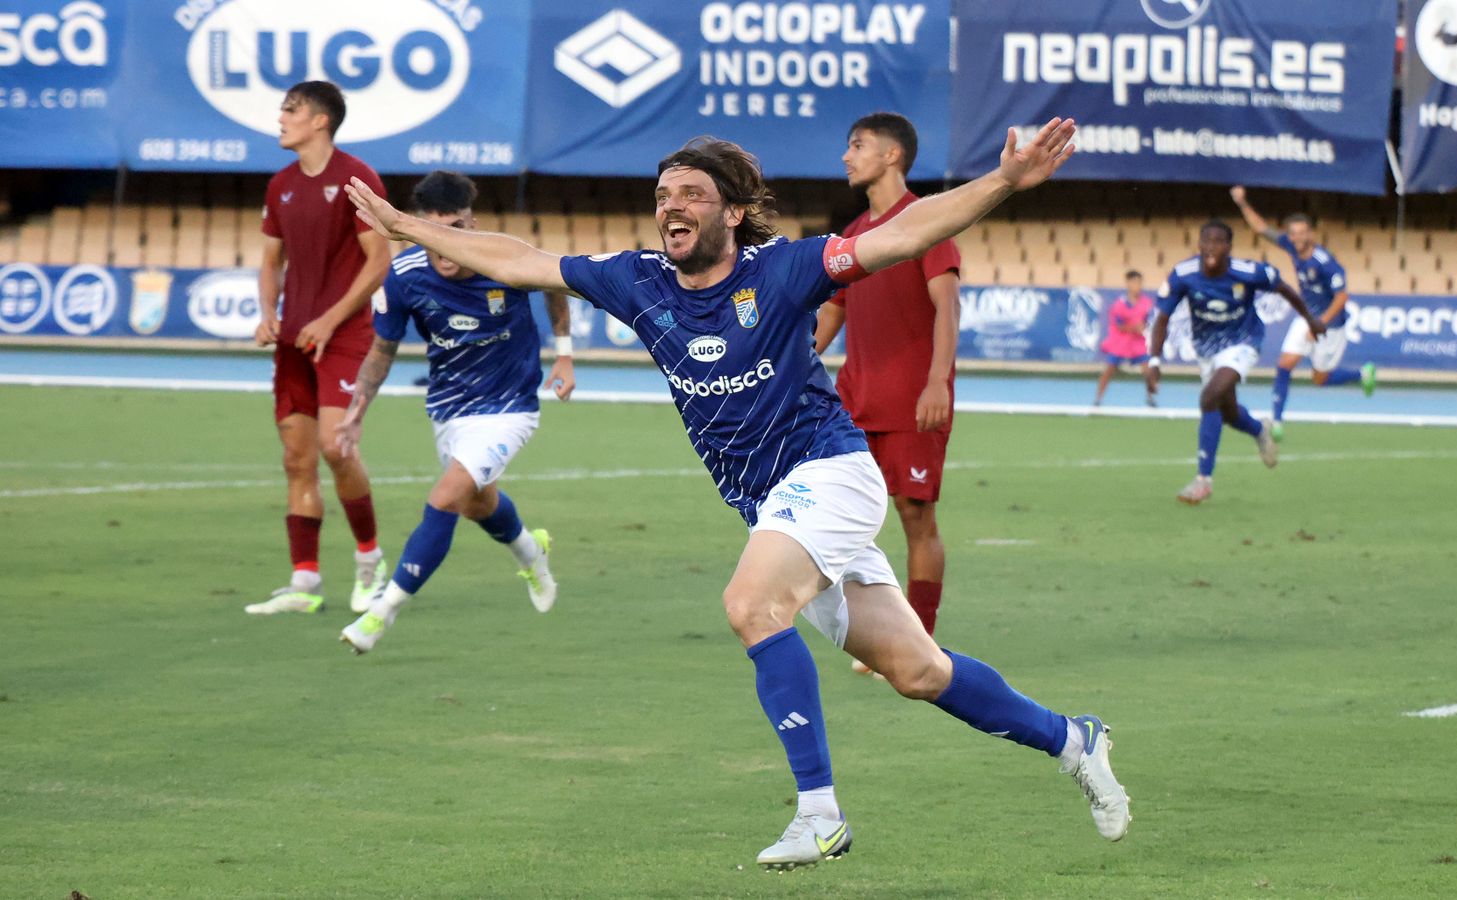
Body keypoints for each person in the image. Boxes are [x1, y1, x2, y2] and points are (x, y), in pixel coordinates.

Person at [345, 117, 1132, 869]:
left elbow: (902, 235)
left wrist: (1004, 179)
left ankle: (820, 816)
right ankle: (1074, 740)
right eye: (662, 195)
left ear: (732, 209)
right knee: (919, 673)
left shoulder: (782, 268)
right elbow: (519, 259)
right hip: (776, 505)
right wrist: (414, 231)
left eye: (689, 194)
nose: (670, 207)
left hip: (829, 472)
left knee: (751, 605)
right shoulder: (639, 282)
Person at [332, 171, 575, 654]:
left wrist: (564, 354)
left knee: (446, 498)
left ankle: (380, 616)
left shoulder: (503, 259)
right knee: (479, 503)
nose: (445, 246)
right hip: (449, 408)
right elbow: (382, 350)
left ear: (473, 224)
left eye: (457, 228)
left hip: (510, 408)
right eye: (434, 230)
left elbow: (555, 283)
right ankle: (532, 553)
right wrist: (357, 410)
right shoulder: (404, 276)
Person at [811, 112, 959, 664]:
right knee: (844, 516)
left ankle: (919, 641)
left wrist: (937, 382)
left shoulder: (925, 221)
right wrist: (792, 360)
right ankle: (877, 634)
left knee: (915, 518)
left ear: (891, 155)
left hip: (913, 401)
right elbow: (832, 312)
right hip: (854, 403)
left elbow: (948, 306)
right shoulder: (852, 236)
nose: (846, 156)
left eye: (857, 145)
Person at [246, 81, 391, 616]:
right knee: (296, 458)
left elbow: (379, 260)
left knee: (337, 447)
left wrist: (331, 319)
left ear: (320, 121)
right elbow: (270, 261)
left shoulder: (357, 178)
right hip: (294, 342)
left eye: (291, 109)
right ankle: (303, 582)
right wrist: (268, 314)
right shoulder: (280, 185)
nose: (281, 118)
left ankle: (369, 561)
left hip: (347, 336)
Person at [1146, 221, 1325, 505]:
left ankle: (1203, 480)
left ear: (1229, 247)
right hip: (1206, 349)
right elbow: (1162, 319)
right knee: (1227, 412)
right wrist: (1154, 360)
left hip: (1243, 342)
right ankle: (1258, 429)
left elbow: (1285, 289)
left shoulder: (1249, 272)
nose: (1211, 247)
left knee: (1210, 397)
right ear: (1199, 244)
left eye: (1218, 241)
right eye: (1206, 241)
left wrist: (1310, 319)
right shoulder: (1184, 274)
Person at [1230, 187, 1376, 440]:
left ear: (1311, 234)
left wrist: (1319, 323)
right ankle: (1276, 421)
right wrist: (1243, 203)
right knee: (1284, 364)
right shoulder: (1291, 246)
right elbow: (1261, 228)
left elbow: (1342, 297)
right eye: (1293, 234)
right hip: (1306, 318)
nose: (1297, 238)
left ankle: (1362, 374)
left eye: (1302, 233)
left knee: (1320, 378)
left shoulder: (1325, 263)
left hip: (1330, 326)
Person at [1093, 269, 1156, 408]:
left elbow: (1149, 320)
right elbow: (1119, 326)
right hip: (1120, 342)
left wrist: (1144, 327)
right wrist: (1134, 327)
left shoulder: (1147, 303)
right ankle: (1097, 399)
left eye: (1140, 283)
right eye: (1134, 282)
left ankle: (1150, 398)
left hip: (1138, 342)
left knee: (1148, 370)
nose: (1137, 286)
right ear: (1128, 283)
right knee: (1109, 370)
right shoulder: (1120, 304)